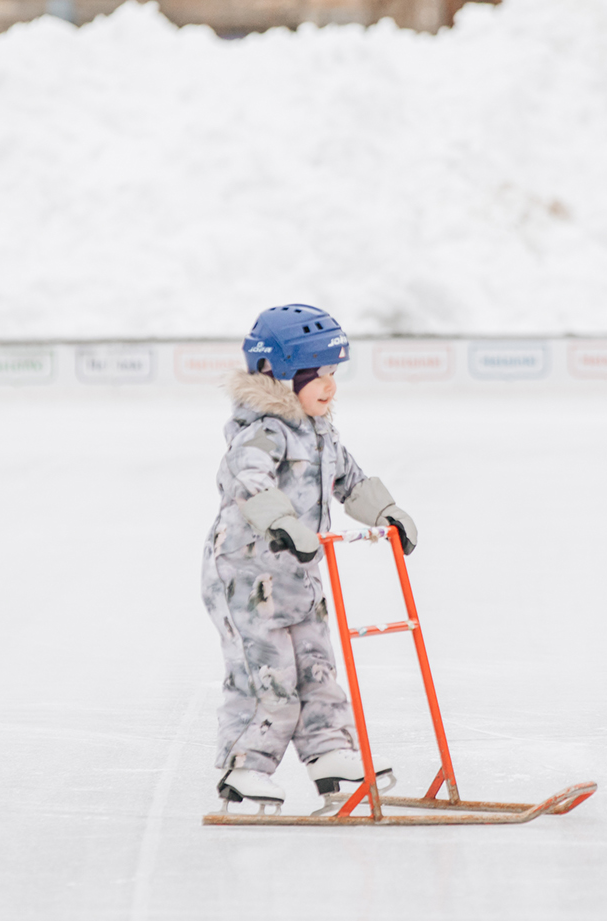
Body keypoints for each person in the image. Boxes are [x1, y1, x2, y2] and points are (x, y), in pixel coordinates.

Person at [200, 304, 418, 815]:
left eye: (334, 374)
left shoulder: (321, 435)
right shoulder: (264, 432)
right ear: (277, 375)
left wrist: (386, 513)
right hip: (246, 577)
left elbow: (351, 481)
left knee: (317, 668)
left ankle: (331, 754)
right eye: (317, 375)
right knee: (268, 676)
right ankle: (246, 767)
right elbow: (246, 479)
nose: (330, 386)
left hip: (299, 574)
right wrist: (280, 522)